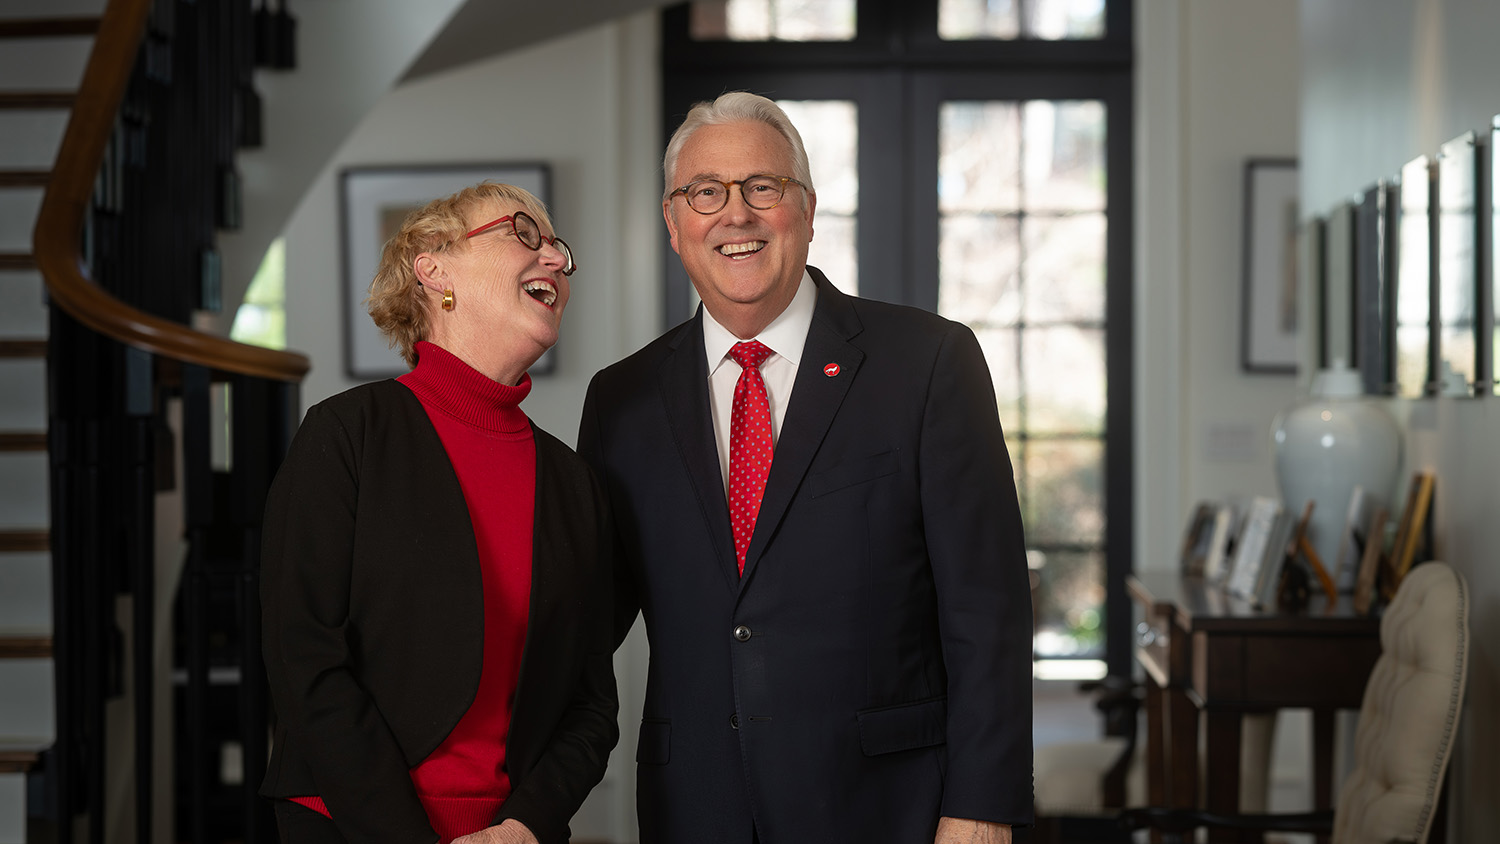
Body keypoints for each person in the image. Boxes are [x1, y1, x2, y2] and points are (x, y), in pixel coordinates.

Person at [578, 92, 1033, 844]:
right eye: (706, 192)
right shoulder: (621, 399)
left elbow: (986, 610)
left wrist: (982, 807)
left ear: (808, 210)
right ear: (673, 224)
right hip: (697, 809)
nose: (736, 215)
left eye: (764, 187)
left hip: (890, 808)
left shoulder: (926, 362)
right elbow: (583, 619)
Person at [260, 181, 618, 844]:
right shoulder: (346, 435)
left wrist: (525, 827)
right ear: (434, 266)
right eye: (524, 233)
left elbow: (591, 705)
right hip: (349, 827)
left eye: (560, 252)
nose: (554, 262)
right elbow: (304, 660)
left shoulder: (574, 484)